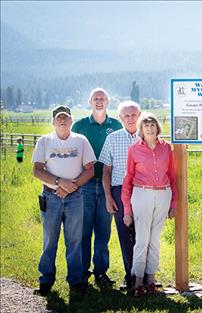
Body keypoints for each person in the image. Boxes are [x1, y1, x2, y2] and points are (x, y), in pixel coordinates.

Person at [32, 105, 96, 296]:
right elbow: (37, 170)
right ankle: (46, 280)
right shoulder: (45, 141)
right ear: (53, 122)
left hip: (75, 197)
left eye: (66, 118)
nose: (62, 120)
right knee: (50, 240)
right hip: (51, 197)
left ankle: (76, 281)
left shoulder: (81, 141)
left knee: (74, 240)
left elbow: (90, 169)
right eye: (59, 118)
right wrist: (60, 183)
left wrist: (71, 187)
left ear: (71, 121)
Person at [121, 112, 177, 297]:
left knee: (155, 239)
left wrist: (174, 203)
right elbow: (128, 178)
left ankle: (151, 281)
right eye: (146, 126)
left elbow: (172, 176)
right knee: (142, 239)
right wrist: (127, 210)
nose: (150, 128)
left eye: (153, 125)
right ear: (141, 129)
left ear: (157, 127)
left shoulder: (166, 148)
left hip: (163, 194)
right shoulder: (134, 149)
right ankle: (138, 281)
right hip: (141, 193)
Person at [72, 87, 122, 286]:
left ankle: (101, 272)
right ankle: (82, 272)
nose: (99, 101)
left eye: (102, 99)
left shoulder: (117, 124)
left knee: (103, 231)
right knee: (83, 231)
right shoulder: (80, 125)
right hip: (84, 185)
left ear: (108, 102)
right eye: (95, 99)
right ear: (89, 102)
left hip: (107, 186)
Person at [98, 101, 141, 291]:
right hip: (118, 189)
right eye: (127, 116)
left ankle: (145, 276)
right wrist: (108, 196)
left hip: (144, 190)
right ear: (120, 118)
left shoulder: (147, 136)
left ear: (139, 115)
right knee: (125, 233)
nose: (131, 119)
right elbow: (106, 170)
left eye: (134, 115)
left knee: (143, 234)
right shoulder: (113, 139)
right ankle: (130, 274)